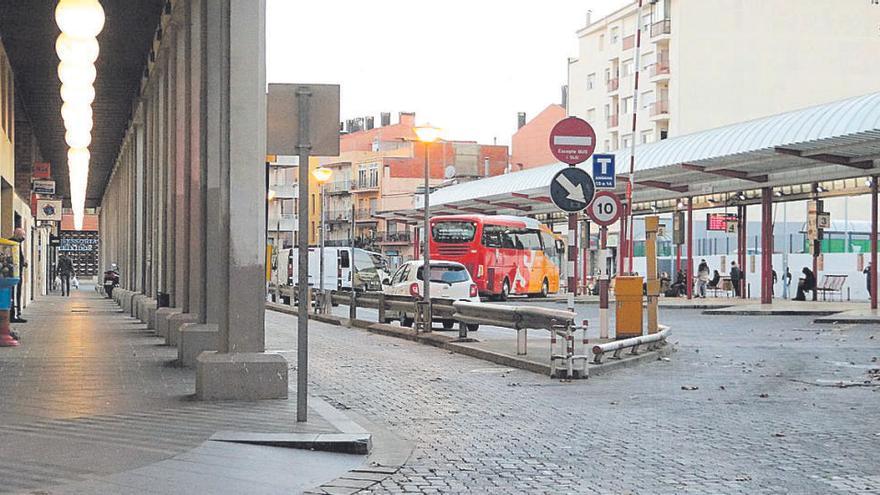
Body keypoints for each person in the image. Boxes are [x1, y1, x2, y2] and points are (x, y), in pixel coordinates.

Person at [9, 228, 27, 323]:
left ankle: (15, 313)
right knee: (15, 293)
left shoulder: (16, 243)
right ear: (17, 234)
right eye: (22, 235)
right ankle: (14, 315)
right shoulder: (14, 243)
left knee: (16, 293)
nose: (23, 237)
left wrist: (23, 262)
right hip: (14, 274)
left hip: (16, 273)